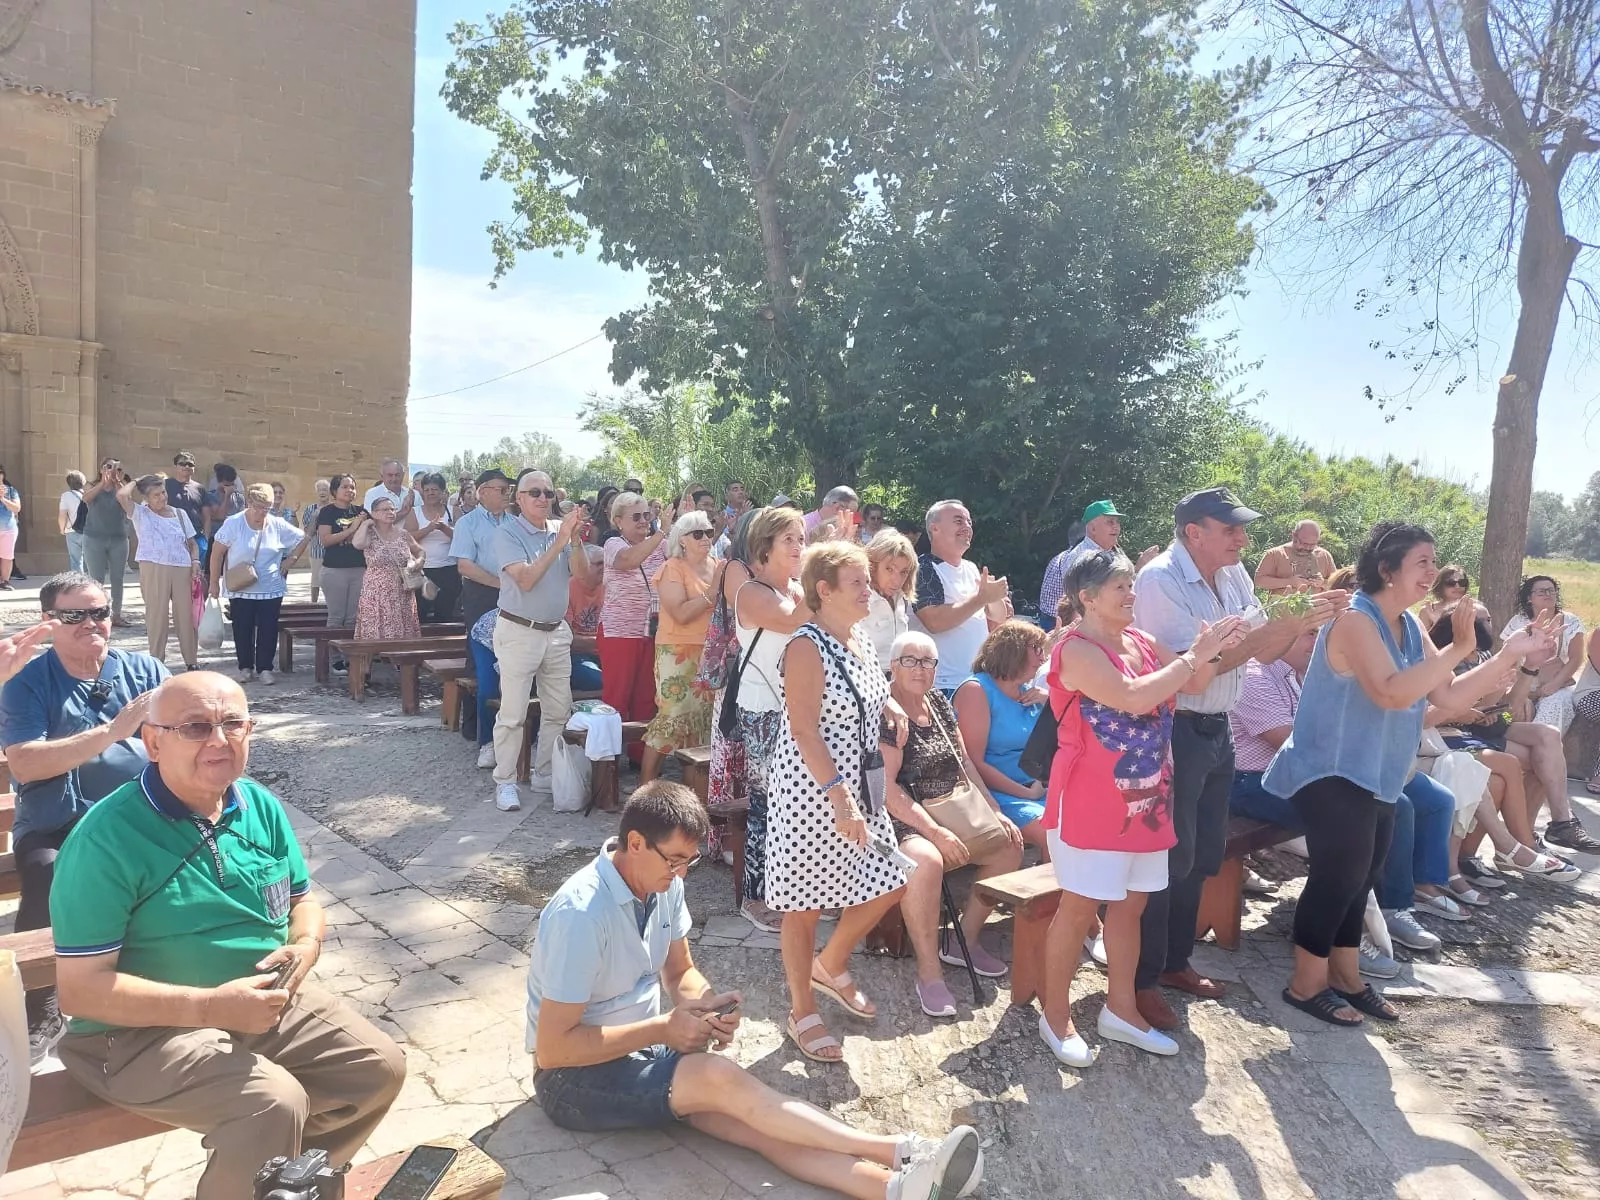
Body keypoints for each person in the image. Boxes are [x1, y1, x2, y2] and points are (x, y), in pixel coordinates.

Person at [526, 782, 981, 1199]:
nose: (681, 875)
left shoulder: (660, 883)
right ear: (636, 843)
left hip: (636, 1056)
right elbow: (553, 1050)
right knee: (717, 1079)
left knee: (755, 1121)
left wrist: (704, 1007)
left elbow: (680, 970)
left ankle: (898, 1189)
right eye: (675, 861)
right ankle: (901, 1149)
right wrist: (662, 1029)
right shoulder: (580, 914)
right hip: (571, 1080)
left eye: (690, 861)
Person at [51, 671, 406, 1200]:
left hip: (257, 1002)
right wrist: (211, 1008)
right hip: (132, 1033)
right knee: (270, 1103)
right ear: (152, 742)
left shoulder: (257, 804)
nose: (219, 740)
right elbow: (80, 991)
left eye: (233, 723)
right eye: (195, 727)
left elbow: (303, 901)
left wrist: (305, 945)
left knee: (375, 1067)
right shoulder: (106, 839)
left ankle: (286, 1187)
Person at [1262, 522, 1547, 1027]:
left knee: (1364, 875)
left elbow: (1450, 696)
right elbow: (1392, 692)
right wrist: (1459, 648)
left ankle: (1346, 977)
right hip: (1329, 771)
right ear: (1387, 570)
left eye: (1434, 563)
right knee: (1338, 876)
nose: (1433, 573)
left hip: (1378, 772)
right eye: (1423, 563)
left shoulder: (1409, 625)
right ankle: (1305, 983)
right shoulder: (1354, 619)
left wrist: (1508, 654)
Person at [1130, 486, 1342, 1032]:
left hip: (1215, 729)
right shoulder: (1159, 582)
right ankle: (1142, 981)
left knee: (1201, 856)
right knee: (1165, 861)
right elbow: (1201, 667)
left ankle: (1174, 963)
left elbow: (1256, 654)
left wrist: (1296, 624)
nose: (1243, 538)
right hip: (1173, 731)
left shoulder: (1233, 575)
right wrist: (1289, 624)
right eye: (1231, 529)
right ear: (1193, 533)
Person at [1038, 551, 1244, 1065]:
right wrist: (1193, 658)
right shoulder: (1075, 649)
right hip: (1090, 802)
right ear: (1086, 598)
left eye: (1131, 586)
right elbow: (1131, 698)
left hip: (1150, 799)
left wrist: (1214, 649)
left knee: (1132, 906)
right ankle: (1055, 1015)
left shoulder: (1141, 641)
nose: (1132, 596)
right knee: (1079, 908)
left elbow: (1193, 683)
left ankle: (1121, 1009)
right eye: (1121, 589)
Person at [0, 572, 169, 1062]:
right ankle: (41, 1004)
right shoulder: (26, 681)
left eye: (100, 612)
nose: (91, 623)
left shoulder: (146, 670)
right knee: (46, 877)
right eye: (75, 615)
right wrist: (114, 733)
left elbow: (180, 736)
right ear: (49, 621)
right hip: (57, 819)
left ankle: (167, 988)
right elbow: (27, 761)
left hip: (139, 815)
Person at [766, 542, 907, 1063]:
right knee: (804, 905)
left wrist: (890, 706)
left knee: (890, 880)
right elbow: (803, 729)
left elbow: (863, 687)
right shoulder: (805, 646)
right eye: (858, 583)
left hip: (858, 785)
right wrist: (839, 797)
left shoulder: (859, 637)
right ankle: (802, 1008)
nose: (869, 589)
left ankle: (832, 963)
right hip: (814, 789)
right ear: (824, 591)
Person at [881, 630, 1022, 1017]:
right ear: (893, 666)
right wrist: (935, 832)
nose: (920, 669)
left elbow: (965, 765)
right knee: (926, 862)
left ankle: (965, 940)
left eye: (928, 662)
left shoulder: (940, 703)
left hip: (953, 805)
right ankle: (929, 972)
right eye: (910, 660)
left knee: (1009, 843)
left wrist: (994, 809)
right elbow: (887, 791)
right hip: (904, 817)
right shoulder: (888, 713)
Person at [487, 469, 593, 810]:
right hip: (519, 630)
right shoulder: (507, 533)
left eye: (549, 493)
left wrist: (574, 541)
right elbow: (527, 580)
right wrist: (560, 541)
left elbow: (586, 578)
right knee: (513, 713)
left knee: (558, 710)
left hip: (556, 631)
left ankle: (544, 772)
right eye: (535, 492)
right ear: (519, 499)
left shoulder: (559, 532)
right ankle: (505, 781)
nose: (544, 499)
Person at [729, 507, 811, 931]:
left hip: (799, 706)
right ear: (764, 547)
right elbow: (797, 620)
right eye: (790, 540)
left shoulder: (799, 588)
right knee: (769, 802)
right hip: (762, 708)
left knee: (800, 802)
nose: (800, 547)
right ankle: (756, 896)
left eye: (802, 538)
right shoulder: (751, 592)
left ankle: (799, 889)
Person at [952, 621, 1052, 858]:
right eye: (1036, 649)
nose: (1042, 658)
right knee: (1054, 834)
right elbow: (974, 762)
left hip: (1037, 787)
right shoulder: (976, 690)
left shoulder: (1031, 692)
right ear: (1013, 650)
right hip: (997, 793)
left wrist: (1051, 702)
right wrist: (1026, 793)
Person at [640, 512, 719, 783]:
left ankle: (693, 795)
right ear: (682, 540)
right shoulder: (673, 567)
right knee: (672, 719)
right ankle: (644, 788)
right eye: (698, 533)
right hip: (677, 651)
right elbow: (681, 613)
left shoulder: (718, 564)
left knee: (702, 721)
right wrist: (714, 591)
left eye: (709, 531)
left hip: (710, 652)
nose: (706, 538)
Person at [910, 500, 1011, 694]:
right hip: (942, 685)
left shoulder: (972, 568)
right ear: (935, 528)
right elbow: (935, 621)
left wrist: (994, 597)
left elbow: (998, 618)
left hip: (978, 680)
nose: (967, 527)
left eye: (969, 522)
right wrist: (981, 598)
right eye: (958, 521)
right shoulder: (923, 569)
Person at [211, 484, 306, 684]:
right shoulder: (234, 523)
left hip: (270, 587)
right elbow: (217, 553)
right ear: (248, 503)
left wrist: (290, 560)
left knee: (268, 628)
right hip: (241, 586)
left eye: (267, 508)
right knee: (242, 627)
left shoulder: (277, 524)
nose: (262, 512)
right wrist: (213, 583)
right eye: (258, 507)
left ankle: (265, 668)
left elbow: (302, 538)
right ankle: (245, 667)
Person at [600, 492, 667, 752]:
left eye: (647, 516)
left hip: (652, 631)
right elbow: (628, 560)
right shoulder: (613, 544)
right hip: (620, 632)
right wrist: (661, 533)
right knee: (617, 698)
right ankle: (608, 761)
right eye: (636, 517)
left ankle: (640, 758)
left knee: (645, 698)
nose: (643, 521)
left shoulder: (659, 544)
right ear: (619, 521)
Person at [117, 474, 201, 671]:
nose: (162, 497)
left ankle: (191, 660)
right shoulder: (140, 513)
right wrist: (137, 481)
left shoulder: (180, 514)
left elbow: (192, 543)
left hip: (182, 567)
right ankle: (157, 661)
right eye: (156, 495)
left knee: (185, 616)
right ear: (146, 498)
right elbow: (121, 495)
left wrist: (195, 561)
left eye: (163, 492)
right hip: (154, 567)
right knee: (157, 615)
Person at [1037, 500, 1159, 632]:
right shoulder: (1080, 557)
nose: (1116, 527)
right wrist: (1139, 568)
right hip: (1065, 625)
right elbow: (1079, 605)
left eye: (1117, 522)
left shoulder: (1113, 551)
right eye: (1110, 522)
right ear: (1092, 528)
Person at [1501, 575, 1584, 734]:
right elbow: (1508, 661)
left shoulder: (1571, 621)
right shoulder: (1517, 622)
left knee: (1553, 705)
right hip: (1524, 684)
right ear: (1529, 598)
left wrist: (1554, 685)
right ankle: (1508, 750)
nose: (1548, 594)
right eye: (1541, 591)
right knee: (1509, 714)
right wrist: (1520, 693)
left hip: (1558, 683)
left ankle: (1542, 748)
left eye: (1551, 591)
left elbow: (1576, 658)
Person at [353, 496, 423, 642]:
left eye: (392, 509)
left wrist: (418, 562)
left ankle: (402, 662)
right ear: (374, 513)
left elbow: (420, 551)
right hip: (376, 593)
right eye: (385, 510)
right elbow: (358, 544)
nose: (390, 512)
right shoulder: (369, 534)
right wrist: (365, 524)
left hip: (401, 591)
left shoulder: (403, 534)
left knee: (403, 634)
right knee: (373, 633)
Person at [315, 474, 369, 653]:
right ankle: (334, 658)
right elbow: (326, 540)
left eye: (352, 487)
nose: (349, 490)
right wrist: (352, 529)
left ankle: (350, 657)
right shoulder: (328, 512)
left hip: (359, 569)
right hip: (334, 570)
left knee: (354, 618)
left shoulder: (361, 512)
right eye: (345, 487)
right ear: (334, 491)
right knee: (336, 617)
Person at [81, 456, 134, 627]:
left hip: (118, 539)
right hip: (94, 538)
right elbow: (86, 499)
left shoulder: (122, 488)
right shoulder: (91, 485)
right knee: (96, 579)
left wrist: (117, 483)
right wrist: (102, 484)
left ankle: (116, 614)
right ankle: (96, 614)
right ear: (101, 468)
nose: (113, 471)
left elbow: (129, 506)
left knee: (117, 578)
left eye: (118, 468)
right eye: (109, 467)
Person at [405, 471, 460, 622]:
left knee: (445, 613)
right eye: (427, 490)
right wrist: (429, 528)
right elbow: (408, 538)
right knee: (420, 614)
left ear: (442, 491)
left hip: (448, 569)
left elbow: (462, 539)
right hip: (423, 570)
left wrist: (444, 528)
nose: (430, 493)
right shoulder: (414, 512)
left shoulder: (454, 510)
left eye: (434, 490)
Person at [861, 530, 917, 672]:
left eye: (904, 572)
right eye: (889, 569)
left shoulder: (901, 599)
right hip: (867, 683)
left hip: (898, 682)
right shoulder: (858, 599)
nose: (897, 580)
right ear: (872, 566)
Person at [1254, 520, 1337, 595]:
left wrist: (1323, 583)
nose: (1307, 548)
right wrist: (1289, 582)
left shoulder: (1324, 555)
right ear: (1294, 535)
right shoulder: (1275, 554)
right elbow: (1259, 581)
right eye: (1304, 543)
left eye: (1312, 545)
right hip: (1284, 609)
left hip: (1318, 608)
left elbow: (1338, 583)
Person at [165, 453, 209, 572]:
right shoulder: (165, 485)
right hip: (172, 536)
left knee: (196, 573)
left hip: (196, 537)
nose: (186, 466)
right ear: (176, 466)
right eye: (182, 464)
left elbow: (206, 515)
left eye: (190, 464)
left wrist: (206, 536)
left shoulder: (200, 488)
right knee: (175, 572)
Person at [293, 478, 332, 603]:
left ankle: (330, 603)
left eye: (325, 489)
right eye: (320, 490)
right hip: (317, 550)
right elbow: (307, 530)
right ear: (316, 492)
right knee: (316, 578)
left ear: (330, 492)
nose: (322, 492)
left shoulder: (333, 508)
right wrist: (315, 517)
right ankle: (314, 603)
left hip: (332, 550)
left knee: (331, 580)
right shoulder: (311, 509)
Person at [1418, 564, 1489, 629]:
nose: (1457, 586)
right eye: (1451, 583)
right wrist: (1437, 625)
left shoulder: (1475, 609)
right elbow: (1421, 641)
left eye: (1462, 582)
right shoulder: (1427, 611)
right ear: (1440, 585)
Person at [203, 464, 246, 539]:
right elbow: (219, 516)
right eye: (226, 485)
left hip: (233, 537)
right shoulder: (210, 497)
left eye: (231, 484)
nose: (229, 488)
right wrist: (227, 496)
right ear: (219, 483)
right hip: (216, 536)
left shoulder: (239, 498)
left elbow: (241, 518)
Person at [58, 470, 87, 573]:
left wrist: (62, 529)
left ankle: (79, 583)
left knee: (76, 560)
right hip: (89, 531)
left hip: (72, 530)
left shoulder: (66, 496)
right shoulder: (89, 494)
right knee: (91, 560)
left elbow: (63, 515)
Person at [0, 462, 21, 590]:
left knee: (7, 556)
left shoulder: (12, 491)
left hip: (8, 528)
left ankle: (5, 581)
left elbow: (16, 508)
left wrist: (2, 499)